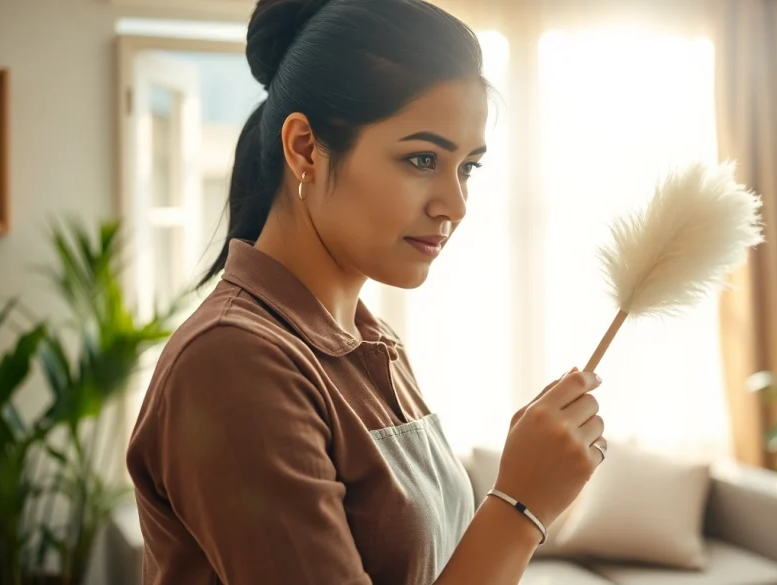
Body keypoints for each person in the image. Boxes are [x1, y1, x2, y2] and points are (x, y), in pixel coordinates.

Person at [125, 0, 608, 583]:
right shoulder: (233, 360)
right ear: (304, 147)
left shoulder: (371, 341)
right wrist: (520, 507)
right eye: (422, 158)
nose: (453, 205)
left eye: (467, 168)